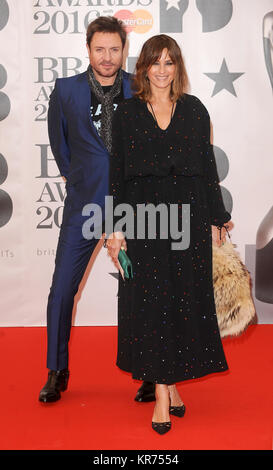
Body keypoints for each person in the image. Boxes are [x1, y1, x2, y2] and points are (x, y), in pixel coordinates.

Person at [106, 34, 233, 434]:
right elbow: (118, 175)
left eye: (169, 62)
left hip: (188, 221)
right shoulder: (126, 114)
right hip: (144, 221)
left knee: (180, 304)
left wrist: (217, 220)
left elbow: (208, 171)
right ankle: (161, 395)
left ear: (178, 68)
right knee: (152, 306)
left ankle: (171, 386)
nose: (161, 71)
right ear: (143, 69)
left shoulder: (195, 110)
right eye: (154, 63)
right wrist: (114, 227)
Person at [39, 16, 153, 404]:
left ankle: (152, 371)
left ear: (124, 50)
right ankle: (57, 370)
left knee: (143, 290)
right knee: (61, 290)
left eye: (114, 49)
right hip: (83, 207)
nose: (107, 57)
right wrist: (80, 181)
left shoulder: (138, 88)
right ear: (88, 50)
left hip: (132, 206)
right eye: (100, 49)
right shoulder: (66, 91)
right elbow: (60, 146)